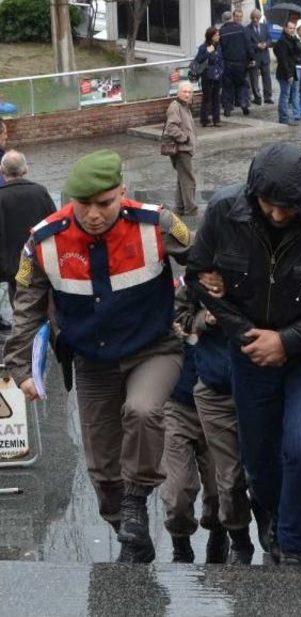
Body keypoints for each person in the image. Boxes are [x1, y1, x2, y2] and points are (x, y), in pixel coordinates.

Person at [3, 149, 192, 563]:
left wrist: (198, 313)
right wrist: (20, 366)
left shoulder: (156, 223)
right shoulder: (44, 240)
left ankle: (137, 499)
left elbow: (204, 264)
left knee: (141, 412)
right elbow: (27, 306)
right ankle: (128, 534)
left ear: (122, 191)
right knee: (103, 469)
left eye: (104, 203)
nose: (93, 214)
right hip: (93, 360)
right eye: (82, 204)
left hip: (153, 349)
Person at [186, 142, 301, 566]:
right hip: (249, 347)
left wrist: (285, 342)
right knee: (259, 458)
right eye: (270, 205)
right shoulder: (224, 211)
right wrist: (250, 335)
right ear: (253, 195)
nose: (280, 216)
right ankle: (274, 509)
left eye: (290, 207)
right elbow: (197, 275)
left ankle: (295, 545)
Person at [160, 306, 229, 564]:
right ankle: (181, 543)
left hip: (218, 404)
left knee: (220, 489)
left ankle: (219, 531)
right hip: (177, 404)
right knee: (178, 488)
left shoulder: (232, 290)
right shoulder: (181, 294)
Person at [0, 150, 56, 318]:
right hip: (40, 261)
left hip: (13, 267)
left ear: (2, 171)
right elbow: (53, 224)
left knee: (20, 309)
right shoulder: (40, 192)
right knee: (47, 305)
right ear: (26, 170)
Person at [165, 81, 197, 216]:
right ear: (178, 92)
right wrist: (185, 138)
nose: (187, 94)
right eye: (184, 92)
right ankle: (191, 208)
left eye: (190, 92)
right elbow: (171, 127)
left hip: (185, 148)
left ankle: (179, 208)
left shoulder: (185, 106)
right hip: (181, 149)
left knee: (182, 179)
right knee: (189, 179)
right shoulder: (175, 107)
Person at [219, 9, 254, 117]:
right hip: (241, 63)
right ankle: (244, 103)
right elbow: (249, 45)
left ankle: (228, 109)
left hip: (227, 63)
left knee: (227, 86)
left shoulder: (222, 31)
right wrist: (252, 58)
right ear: (232, 18)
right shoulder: (242, 29)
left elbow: (220, 48)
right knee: (242, 84)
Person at [195, 27, 225, 127]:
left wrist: (221, 69)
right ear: (211, 36)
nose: (218, 36)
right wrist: (208, 52)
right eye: (216, 35)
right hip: (207, 76)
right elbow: (198, 59)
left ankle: (216, 119)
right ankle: (205, 119)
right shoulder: (203, 47)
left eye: (218, 35)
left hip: (217, 75)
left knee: (216, 97)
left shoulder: (219, 46)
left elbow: (220, 59)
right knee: (207, 98)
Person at [274, 20, 299, 125]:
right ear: (285, 28)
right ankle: (283, 118)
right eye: (290, 28)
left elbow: (295, 54)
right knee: (284, 95)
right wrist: (289, 75)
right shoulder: (282, 41)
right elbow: (283, 59)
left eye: (293, 28)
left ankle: (290, 116)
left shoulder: (292, 39)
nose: (292, 30)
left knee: (291, 94)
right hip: (284, 73)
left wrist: (295, 40)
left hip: (292, 70)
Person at [246, 9, 273, 105]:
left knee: (267, 78)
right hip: (254, 57)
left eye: (257, 18)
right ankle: (257, 97)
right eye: (253, 18)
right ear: (251, 18)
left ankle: (268, 97)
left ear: (260, 18)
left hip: (265, 57)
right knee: (254, 79)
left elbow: (270, 39)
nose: (255, 20)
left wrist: (266, 44)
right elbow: (247, 44)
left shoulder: (264, 27)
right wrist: (257, 46)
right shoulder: (247, 29)